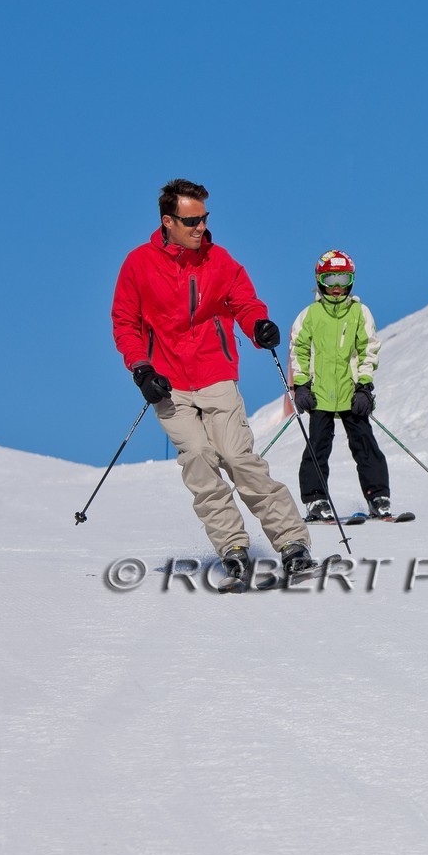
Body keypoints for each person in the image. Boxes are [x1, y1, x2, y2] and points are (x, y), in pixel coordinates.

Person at [110, 178, 315, 581]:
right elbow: (124, 322)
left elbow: (245, 301)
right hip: (167, 382)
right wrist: (141, 367)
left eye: (204, 218)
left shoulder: (218, 260)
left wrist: (259, 326)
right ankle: (233, 548)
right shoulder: (138, 263)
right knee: (199, 460)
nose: (200, 227)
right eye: (191, 220)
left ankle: (293, 543)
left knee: (238, 458)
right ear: (168, 221)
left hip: (215, 372)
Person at [288, 249, 395, 523]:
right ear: (320, 280)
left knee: (364, 443)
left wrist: (364, 387)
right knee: (318, 446)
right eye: (330, 279)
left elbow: (368, 348)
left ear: (352, 280)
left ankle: (378, 497)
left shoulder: (360, 312)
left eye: (343, 279)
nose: (336, 287)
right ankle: (315, 500)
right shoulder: (310, 315)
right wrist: (301, 386)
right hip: (320, 394)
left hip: (351, 394)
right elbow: (298, 349)